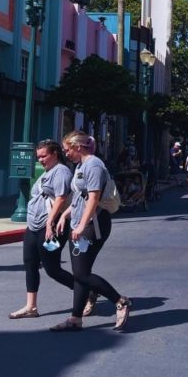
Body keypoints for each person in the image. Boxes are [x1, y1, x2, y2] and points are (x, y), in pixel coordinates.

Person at [49, 131, 131, 332]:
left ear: (78, 147)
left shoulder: (93, 165)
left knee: (82, 274)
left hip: (92, 225)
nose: (66, 153)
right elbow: (79, 197)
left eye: (67, 149)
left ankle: (119, 300)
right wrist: (64, 215)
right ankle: (75, 319)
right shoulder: (81, 166)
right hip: (79, 223)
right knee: (80, 274)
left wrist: (81, 225)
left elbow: (93, 199)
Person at [10, 140, 74, 320]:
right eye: (38, 157)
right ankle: (31, 306)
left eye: (44, 156)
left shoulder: (61, 171)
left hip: (51, 228)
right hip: (34, 226)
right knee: (30, 264)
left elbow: (61, 198)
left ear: (54, 153)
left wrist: (50, 224)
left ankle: (85, 291)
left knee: (52, 269)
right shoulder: (46, 173)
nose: (41, 160)